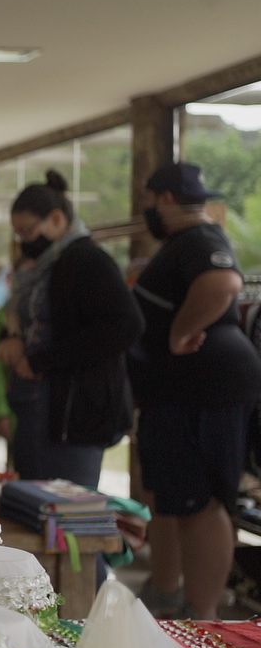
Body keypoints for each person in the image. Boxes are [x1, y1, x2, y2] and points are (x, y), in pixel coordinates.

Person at [128, 161, 261, 620]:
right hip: (181, 392)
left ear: (165, 200)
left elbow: (223, 282)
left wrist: (179, 333)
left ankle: (202, 618)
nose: (146, 212)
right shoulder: (184, 244)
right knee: (176, 497)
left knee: (201, 503)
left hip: (203, 389)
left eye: (148, 203)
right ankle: (168, 594)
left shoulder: (200, 238)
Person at [0, 171, 142, 488]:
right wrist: (15, 339)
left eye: (28, 231)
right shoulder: (40, 268)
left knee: (64, 514)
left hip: (74, 413)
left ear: (57, 220)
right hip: (41, 405)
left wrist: (41, 360)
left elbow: (124, 325)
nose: (23, 241)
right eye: (18, 233)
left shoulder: (86, 261)